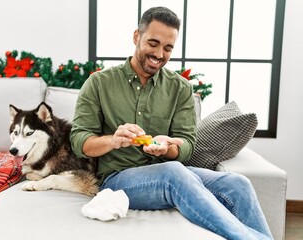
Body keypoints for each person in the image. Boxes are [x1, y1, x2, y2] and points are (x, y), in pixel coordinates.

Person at [70, 6, 273, 240]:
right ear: (137, 37)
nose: (159, 54)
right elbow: (79, 141)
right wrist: (113, 141)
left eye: (168, 48)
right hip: (118, 179)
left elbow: (186, 145)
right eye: (153, 43)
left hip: (168, 171)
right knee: (173, 172)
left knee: (238, 183)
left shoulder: (180, 88)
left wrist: (168, 148)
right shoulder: (99, 83)